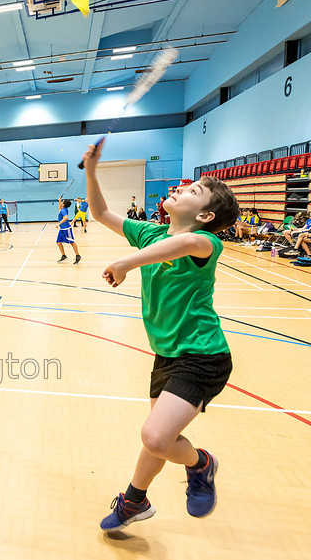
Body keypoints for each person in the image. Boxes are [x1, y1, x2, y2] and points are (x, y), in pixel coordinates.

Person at [82, 139, 239, 532]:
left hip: (203, 355)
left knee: (154, 435)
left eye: (191, 191)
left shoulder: (206, 243)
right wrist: (91, 171)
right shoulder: (149, 235)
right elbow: (100, 212)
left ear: (204, 215)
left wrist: (125, 263)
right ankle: (136, 501)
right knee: (162, 441)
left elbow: (182, 244)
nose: (179, 189)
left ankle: (200, 464)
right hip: (166, 355)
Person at [56, 198, 80, 264]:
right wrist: (60, 201)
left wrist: (59, 223)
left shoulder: (63, 210)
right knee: (58, 242)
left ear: (63, 204)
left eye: (62, 202)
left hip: (67, 229)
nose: (61, 203)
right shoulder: (63, 209)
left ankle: (78, 256)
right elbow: (59, 209)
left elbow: (66, 217)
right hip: (62, 229)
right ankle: (64, 255)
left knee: (72, 242)